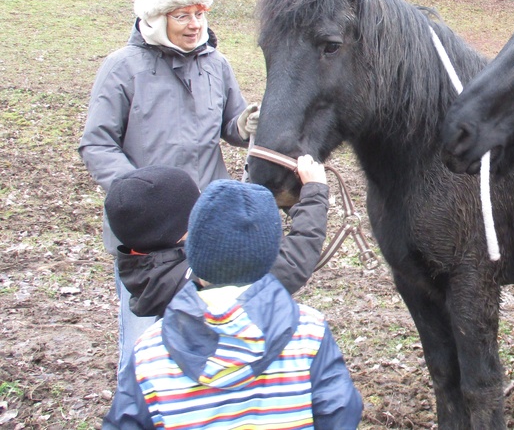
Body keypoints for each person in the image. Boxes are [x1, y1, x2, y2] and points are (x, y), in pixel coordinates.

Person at [78, 0, 318, 385]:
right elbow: (96, 143)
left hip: (209, 224)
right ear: (156, 18)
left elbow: (230, 124)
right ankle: (142, 407)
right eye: (182, 16)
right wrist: (139, 197)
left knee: (217, 332)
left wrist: (244, 124)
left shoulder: (216, 64)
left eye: (200, 13)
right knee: (146, 340)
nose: (194, 25)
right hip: (148, 235)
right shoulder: (122, 68)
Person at [103, 180, 363, 430]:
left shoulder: (149, 350)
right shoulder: (309, 331)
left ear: (192, 249)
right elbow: (340, 415)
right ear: (271, 253)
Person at [105, 158, 331, 319]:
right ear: (181, 230)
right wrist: (314, 193)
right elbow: (290, 263)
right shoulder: (196, 277)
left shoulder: (152, 273)